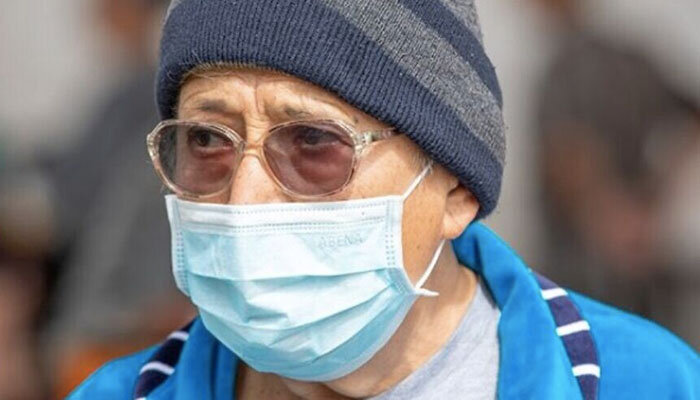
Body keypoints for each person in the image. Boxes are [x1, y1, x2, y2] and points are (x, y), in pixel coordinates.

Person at [69, 1, 699, 399]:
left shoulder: (645, 383)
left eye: (313, 140)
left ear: (456, 189)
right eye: (207, 138)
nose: (244, 201)